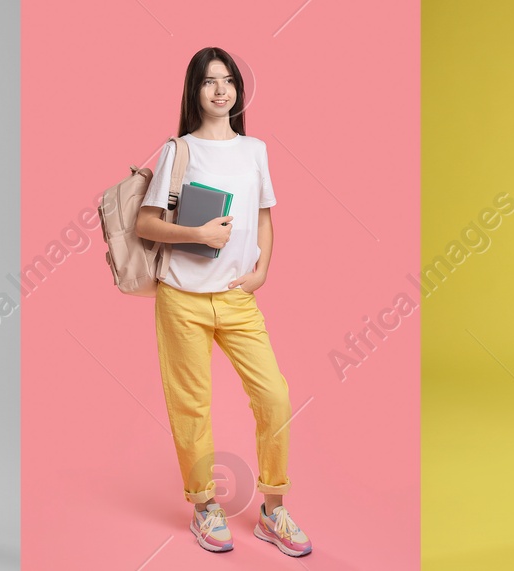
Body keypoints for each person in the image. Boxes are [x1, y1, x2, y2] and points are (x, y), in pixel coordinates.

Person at [134, 46, 311, 558]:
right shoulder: (178, 149)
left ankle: (273, 510)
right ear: (194, 91)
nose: (220, 90)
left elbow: (265, 217)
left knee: (274, 397)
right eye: (209, 81)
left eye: (228, 80)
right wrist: (198, 232)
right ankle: (203, 506)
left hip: (236, 300)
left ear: (237, 89)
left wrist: (262, 269)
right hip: (181, 300)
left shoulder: (255, 149)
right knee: (192, 407)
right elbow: (145, 224)